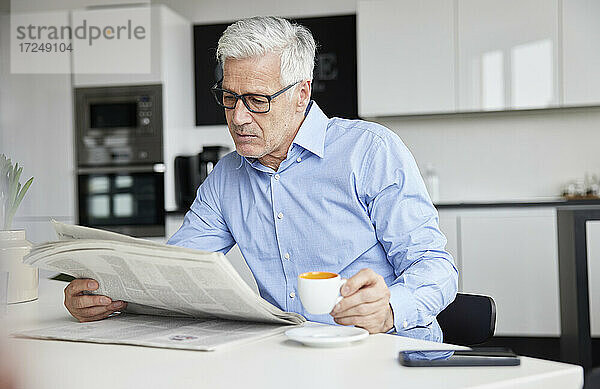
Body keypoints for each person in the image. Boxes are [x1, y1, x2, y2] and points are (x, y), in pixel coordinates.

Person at [64, 16, 458, 340]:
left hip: (383, 350)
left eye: (257, 100)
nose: (237, 118)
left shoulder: (369, 150)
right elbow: (176, 275)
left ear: (302, 94)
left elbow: (434, 266)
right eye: (229, 97)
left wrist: (390, 309)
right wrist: (107, 295)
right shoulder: (225, 177)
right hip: (284, 355)